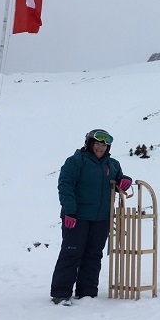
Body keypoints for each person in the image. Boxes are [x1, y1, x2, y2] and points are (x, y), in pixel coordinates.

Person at [50, 129, 132, 305]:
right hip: (77, 217)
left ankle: (87, 292)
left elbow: (118, 179)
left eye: (104, 145)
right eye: (97, 144)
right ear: (89, 144)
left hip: (102, 218)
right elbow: (65, 185)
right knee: (72, 253)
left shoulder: (113, 164)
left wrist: (125, 179)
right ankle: (61, 292)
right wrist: (69, 210)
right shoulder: (75, 162)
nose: (100, 147)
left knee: (94, 254)